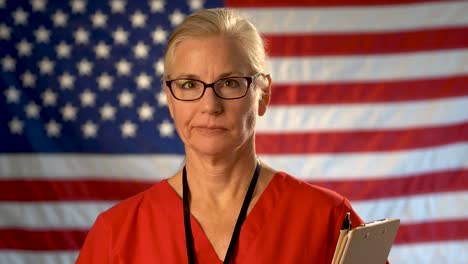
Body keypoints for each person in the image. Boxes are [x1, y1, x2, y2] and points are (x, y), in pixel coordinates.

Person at [76, 8, 364, 263]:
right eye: (189, 84)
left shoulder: (330, 220)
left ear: (262, 95)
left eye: (229, 83)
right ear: (169, 98)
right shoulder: (116, 234)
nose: (210, 106)